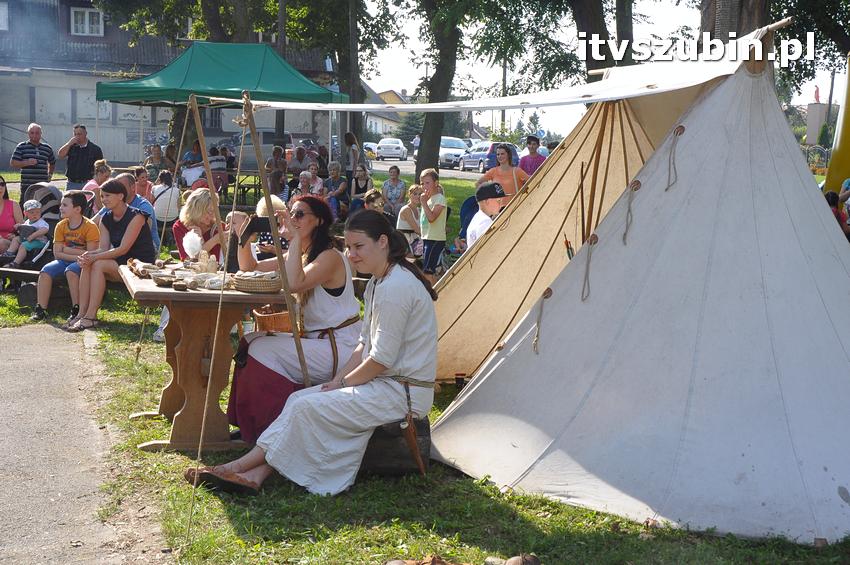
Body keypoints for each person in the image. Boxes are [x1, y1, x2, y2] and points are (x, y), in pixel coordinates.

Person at [185, 210, 437, 496]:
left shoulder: (396, 286)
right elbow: (363, 345)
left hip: (403, 394)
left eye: (359, 247)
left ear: (382, 242)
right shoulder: (380, 282)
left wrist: (341, 385)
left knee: (307, 406)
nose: (352, 255)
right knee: (299, 398)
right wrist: (336, 381)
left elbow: (381, 359)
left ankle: (237, 467)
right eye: (349, 247)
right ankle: (254, 475)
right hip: (385, 385)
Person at [226, 195, 362, 444]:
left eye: (299, 214)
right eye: (291, 212)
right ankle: (249, 423)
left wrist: (294, 239)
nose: (292, 218)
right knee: (250, 340)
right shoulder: (300, 254)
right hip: (319, 342)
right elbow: (248, 267)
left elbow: (294, 283)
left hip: (341, 347)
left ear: (318, 221)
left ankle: (269, 426)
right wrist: (243, 235)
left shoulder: (329, 257)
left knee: (259, 349)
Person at [68, 179, 156, 331]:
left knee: (98, 264)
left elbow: (123, 249)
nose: (104, 200)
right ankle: (81, 314)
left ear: (121, 196)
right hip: (119, 261)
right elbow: (103, 248)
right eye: (102, 196)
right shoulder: (106, 218)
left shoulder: (137, 216)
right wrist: (88, 255)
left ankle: (91, 317)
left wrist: (94, 257)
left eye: (107, 196)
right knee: (88, 263)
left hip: (138, 264)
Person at [30, 191, 100, 322]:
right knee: (45, 271)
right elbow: (57, 254)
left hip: (83, 264)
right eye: (61, 204)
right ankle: (41, 309)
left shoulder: (90, 226)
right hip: (66, 260)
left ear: (77, 209)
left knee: (71, 271)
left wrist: (67, 250)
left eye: (65, 205)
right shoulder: (60, 225)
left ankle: (76, 308)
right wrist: (77, 254)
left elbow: (91, 254)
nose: (60, 207)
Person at [97, 172, 160, 252]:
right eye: (102, 196)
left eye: (121, 186)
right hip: (120, 245)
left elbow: (140, 236)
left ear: (133, 187)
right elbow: (92, 223)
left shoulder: (143, 207)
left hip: (143, 249)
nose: (117, 188)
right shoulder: (112, 203)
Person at [10, 123, 55, 206]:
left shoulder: (47, 148)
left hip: (42, 186)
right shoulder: (21, 146)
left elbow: (52, 162)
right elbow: (13, 163)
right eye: (32, 132)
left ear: (41, 134)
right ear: (28, 133)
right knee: (25, 207)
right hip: (27, 186)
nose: (34, 135)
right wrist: (27, 162)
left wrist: (50, 175)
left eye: (37, 133)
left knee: (42, 207)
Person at [419, 168, 447, 284]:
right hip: (427, 238)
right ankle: (437, 293)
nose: (424, 186)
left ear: (436, 183)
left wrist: (424, 203)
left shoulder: (439, 199)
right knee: (427, 270)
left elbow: (431, 218)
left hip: (435, 239)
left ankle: (432, 296)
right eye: (422, 183)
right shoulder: (428, 199)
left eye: (427, 183)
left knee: (427, 272)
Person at [2, 199, 49, 269]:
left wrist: (33, 236)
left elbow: (45, 229)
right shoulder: (27, 222)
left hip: (39, 241)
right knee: (16, 239)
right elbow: (24, 230)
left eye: (37, 212)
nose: (35, 214)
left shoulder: (40, 222)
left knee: (23, 246)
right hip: (28, 239)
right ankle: (9, 253)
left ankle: (16, 263)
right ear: (25, 213)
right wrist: (18, 227)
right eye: (32, 212)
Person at [58, 124, 103, 190]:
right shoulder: (71, 147)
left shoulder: (95, 149)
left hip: (87, 183)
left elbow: (100, 168)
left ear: (86, 134)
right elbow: (60, 155)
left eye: (79, 134)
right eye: (75, 134)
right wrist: (69, 144)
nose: (77, 137)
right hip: (71, 183)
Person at [466, 181, 506, 249]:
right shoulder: (485, 222)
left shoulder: (479, 217)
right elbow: (490, 250)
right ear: (487, 201)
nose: (501, 204)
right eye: (498, 200)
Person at [396, 184, 423, 257]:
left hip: (414, 239)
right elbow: (417, 230)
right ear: (409, 195)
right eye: (415, 194)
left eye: (420, 194)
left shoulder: (418, 210)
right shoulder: (406, 209)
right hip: (405, 241)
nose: (418, 196)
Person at [0, 175, 24, 255]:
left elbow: (23, 229)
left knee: (1, 243)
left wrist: (15, 236)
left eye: (2, 184)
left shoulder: (13, 205)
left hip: (9, 244)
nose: (0, 187)